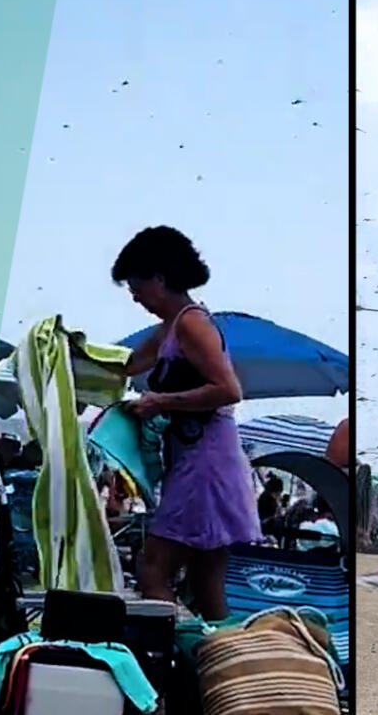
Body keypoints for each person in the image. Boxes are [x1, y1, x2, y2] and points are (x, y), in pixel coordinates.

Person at [114, 226, 261, 621]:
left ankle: (178, 659)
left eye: (136, 284)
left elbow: (228, 389)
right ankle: (223, 665)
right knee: (205, 581)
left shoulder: (191, 324)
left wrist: (160, 400)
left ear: (160, 279)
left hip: (204, 462)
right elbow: (123, 365)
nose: (134, 295)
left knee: (152, 569)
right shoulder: (169, 329)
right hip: (205, 457)